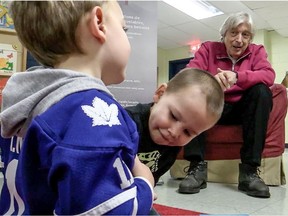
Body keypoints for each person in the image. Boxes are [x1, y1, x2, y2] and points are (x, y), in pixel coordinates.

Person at [0, 1, 155, 215]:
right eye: (124, 28)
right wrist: (145, 183)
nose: (126, 36)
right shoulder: (92, 112)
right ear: (99, 23)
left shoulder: (27, 104)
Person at [178, 12, 275, 199]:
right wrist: (209, 81)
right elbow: (189, 73)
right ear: (224, 35)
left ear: (250, 38)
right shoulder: (208, 48)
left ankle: (249, 172)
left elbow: (268, 75)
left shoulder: (257, 51)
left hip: (242, 109)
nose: (239, 40)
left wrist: (238, 77)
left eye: (245, 34)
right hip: (212, 108)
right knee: (194, 93)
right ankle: (196, 168)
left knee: (262, 91)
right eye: (233, 33)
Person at [125, 68, 224, 184]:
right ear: (160, 94)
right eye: (174, 116)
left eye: (187, 132)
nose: (175, 132)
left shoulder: (172, 145)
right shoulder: (124, 122)